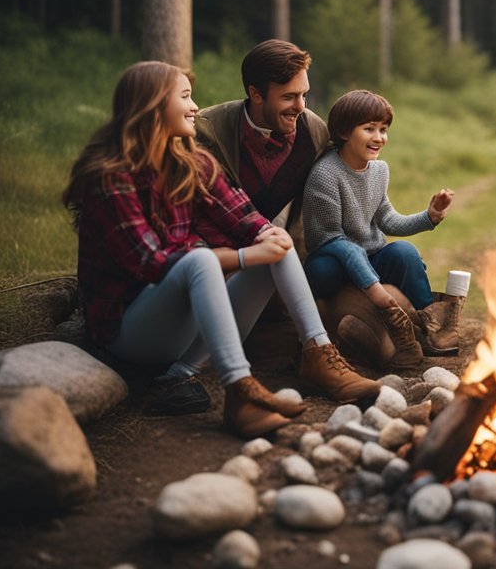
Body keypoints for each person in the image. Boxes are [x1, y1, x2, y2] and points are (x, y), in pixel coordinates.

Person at [64, 61, 381, 438]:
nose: (195, 106)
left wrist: (266, 237)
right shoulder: (111, 179)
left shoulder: (191, 163)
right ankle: (239, 392)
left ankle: (318, 354)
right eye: (184, 97)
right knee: (201, 259)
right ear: (151, 107)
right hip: (128, 332)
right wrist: (244, 257)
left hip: (180, 335)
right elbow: (154, 265)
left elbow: (244, 217)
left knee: (276, 241)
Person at [302, 89, 457, 367]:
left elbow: (387, 219)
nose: (379, 137)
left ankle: (429, 324)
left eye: (383, 129)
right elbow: (333, 240)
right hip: (331, 261)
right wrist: (376, 291)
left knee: (404, 252)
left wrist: (429, 216)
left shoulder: (379, 170)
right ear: (345, 132)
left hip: (370, 257)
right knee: (325, 267)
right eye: (369, 128)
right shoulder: (325, 174)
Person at [195, 39, 327, 251]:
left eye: (304, 95)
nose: (300, 106)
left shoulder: (316, 132)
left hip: (293, 257)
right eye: (289, 97)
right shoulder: (208, 130)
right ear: (256, 94)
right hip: (228, 258)